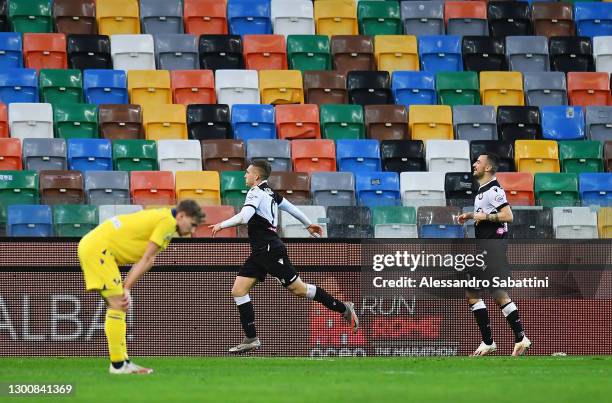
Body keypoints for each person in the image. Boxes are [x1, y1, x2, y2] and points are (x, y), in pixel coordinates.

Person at [209, 160, 359, 354]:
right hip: (260, 252)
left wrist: (221, 225)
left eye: (247, 173)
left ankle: (344, 308)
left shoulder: (255, 192)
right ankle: (251, 338)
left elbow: (244, 217)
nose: (244, 176)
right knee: (238, 290)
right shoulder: (270, 192)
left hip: (270, 250)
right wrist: (307, 224)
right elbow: (291, 208)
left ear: (256, 177)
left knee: (300, 290)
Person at [78, 200, 204, 374]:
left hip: (98, 247)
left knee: (118, 307)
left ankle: (123, 362)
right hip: (98, 249)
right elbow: (146, 259)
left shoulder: (166, 222)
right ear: (181, 216)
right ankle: (118, 365)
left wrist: (126, 287)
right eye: (192, 225)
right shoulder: (167, 222)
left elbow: (148, 260)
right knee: (117, 305)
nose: (193, 231)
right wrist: (127, 288)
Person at [458, 152, 532, 356]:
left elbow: (508, 215)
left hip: (491, 250)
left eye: (478, 162)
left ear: (488, 168)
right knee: (499, 294)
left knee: (472, 292)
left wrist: (486, 216)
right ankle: (520, 338)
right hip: (489, 249)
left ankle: (488, 341)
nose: (474, 164)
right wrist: (471, 215)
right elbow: (486, 214)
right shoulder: (482, 192)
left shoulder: (494, 190)